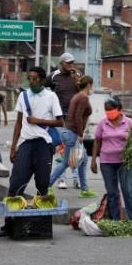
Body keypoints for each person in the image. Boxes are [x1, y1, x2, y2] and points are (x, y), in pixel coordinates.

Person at [8, 67, 63, 199]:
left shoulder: (51, 96)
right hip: (26, 143)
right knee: (16, 182)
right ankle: (13, 216)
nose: (32, 82)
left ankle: (41, 215)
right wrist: (13, 147)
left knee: (42, 183)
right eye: (30, 79)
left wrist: (38, 120)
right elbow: (18, 123)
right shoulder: (23, 95)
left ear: (42, 80)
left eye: (35, 79)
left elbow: (60, 122)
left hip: (43, 143)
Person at [90, 97, 132, 221]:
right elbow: (97, 141)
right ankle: (115, 220)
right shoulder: (102, 123)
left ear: (118, 109)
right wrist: (93, 160)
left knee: (128, 190)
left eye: (110, 109)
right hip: (106, 162)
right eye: (106, 110)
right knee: (112, 192)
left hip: (125, 161)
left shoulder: (129, 122)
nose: (108, 112)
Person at [49, 75, 97, 198]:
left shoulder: (77, 96)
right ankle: (46, 186)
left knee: (83, 160)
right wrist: (80, 134)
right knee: (66, 162)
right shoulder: (83, 97)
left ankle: (84, 189)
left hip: (69, 132)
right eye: (91, 85)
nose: (92, 87)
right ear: (88, 85)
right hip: (73, 134)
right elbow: (78, 116)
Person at [43, 52, 82, 190]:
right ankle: (62, 178)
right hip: (60, 117)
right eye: (68, 63)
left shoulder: (77, 75)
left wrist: (76, 79)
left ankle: (76, 179)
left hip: (74, 117)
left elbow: (82, 92)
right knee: (62, 148)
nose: (71, 65)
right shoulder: (53, 76)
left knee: (75, 149)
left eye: (72, 62)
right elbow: (42, 89)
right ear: (62, 63)